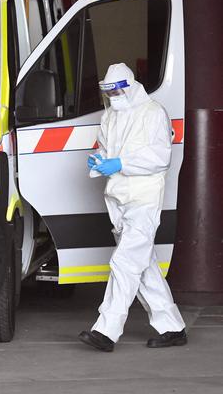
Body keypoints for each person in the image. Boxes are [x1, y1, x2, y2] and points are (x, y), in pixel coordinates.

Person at [79, 63, 187, 352]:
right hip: (117, 197)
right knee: (144, 266)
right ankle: (173, 327)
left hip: (144, 198)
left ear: (130, 86)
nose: (112, 95)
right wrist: (99, 161)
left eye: (116, 90)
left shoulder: (153, 113)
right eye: (108, 91)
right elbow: (105, 149)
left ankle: (106, 330)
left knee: (125, 263)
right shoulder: (110, 116)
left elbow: (160, 156)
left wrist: (122, 164)